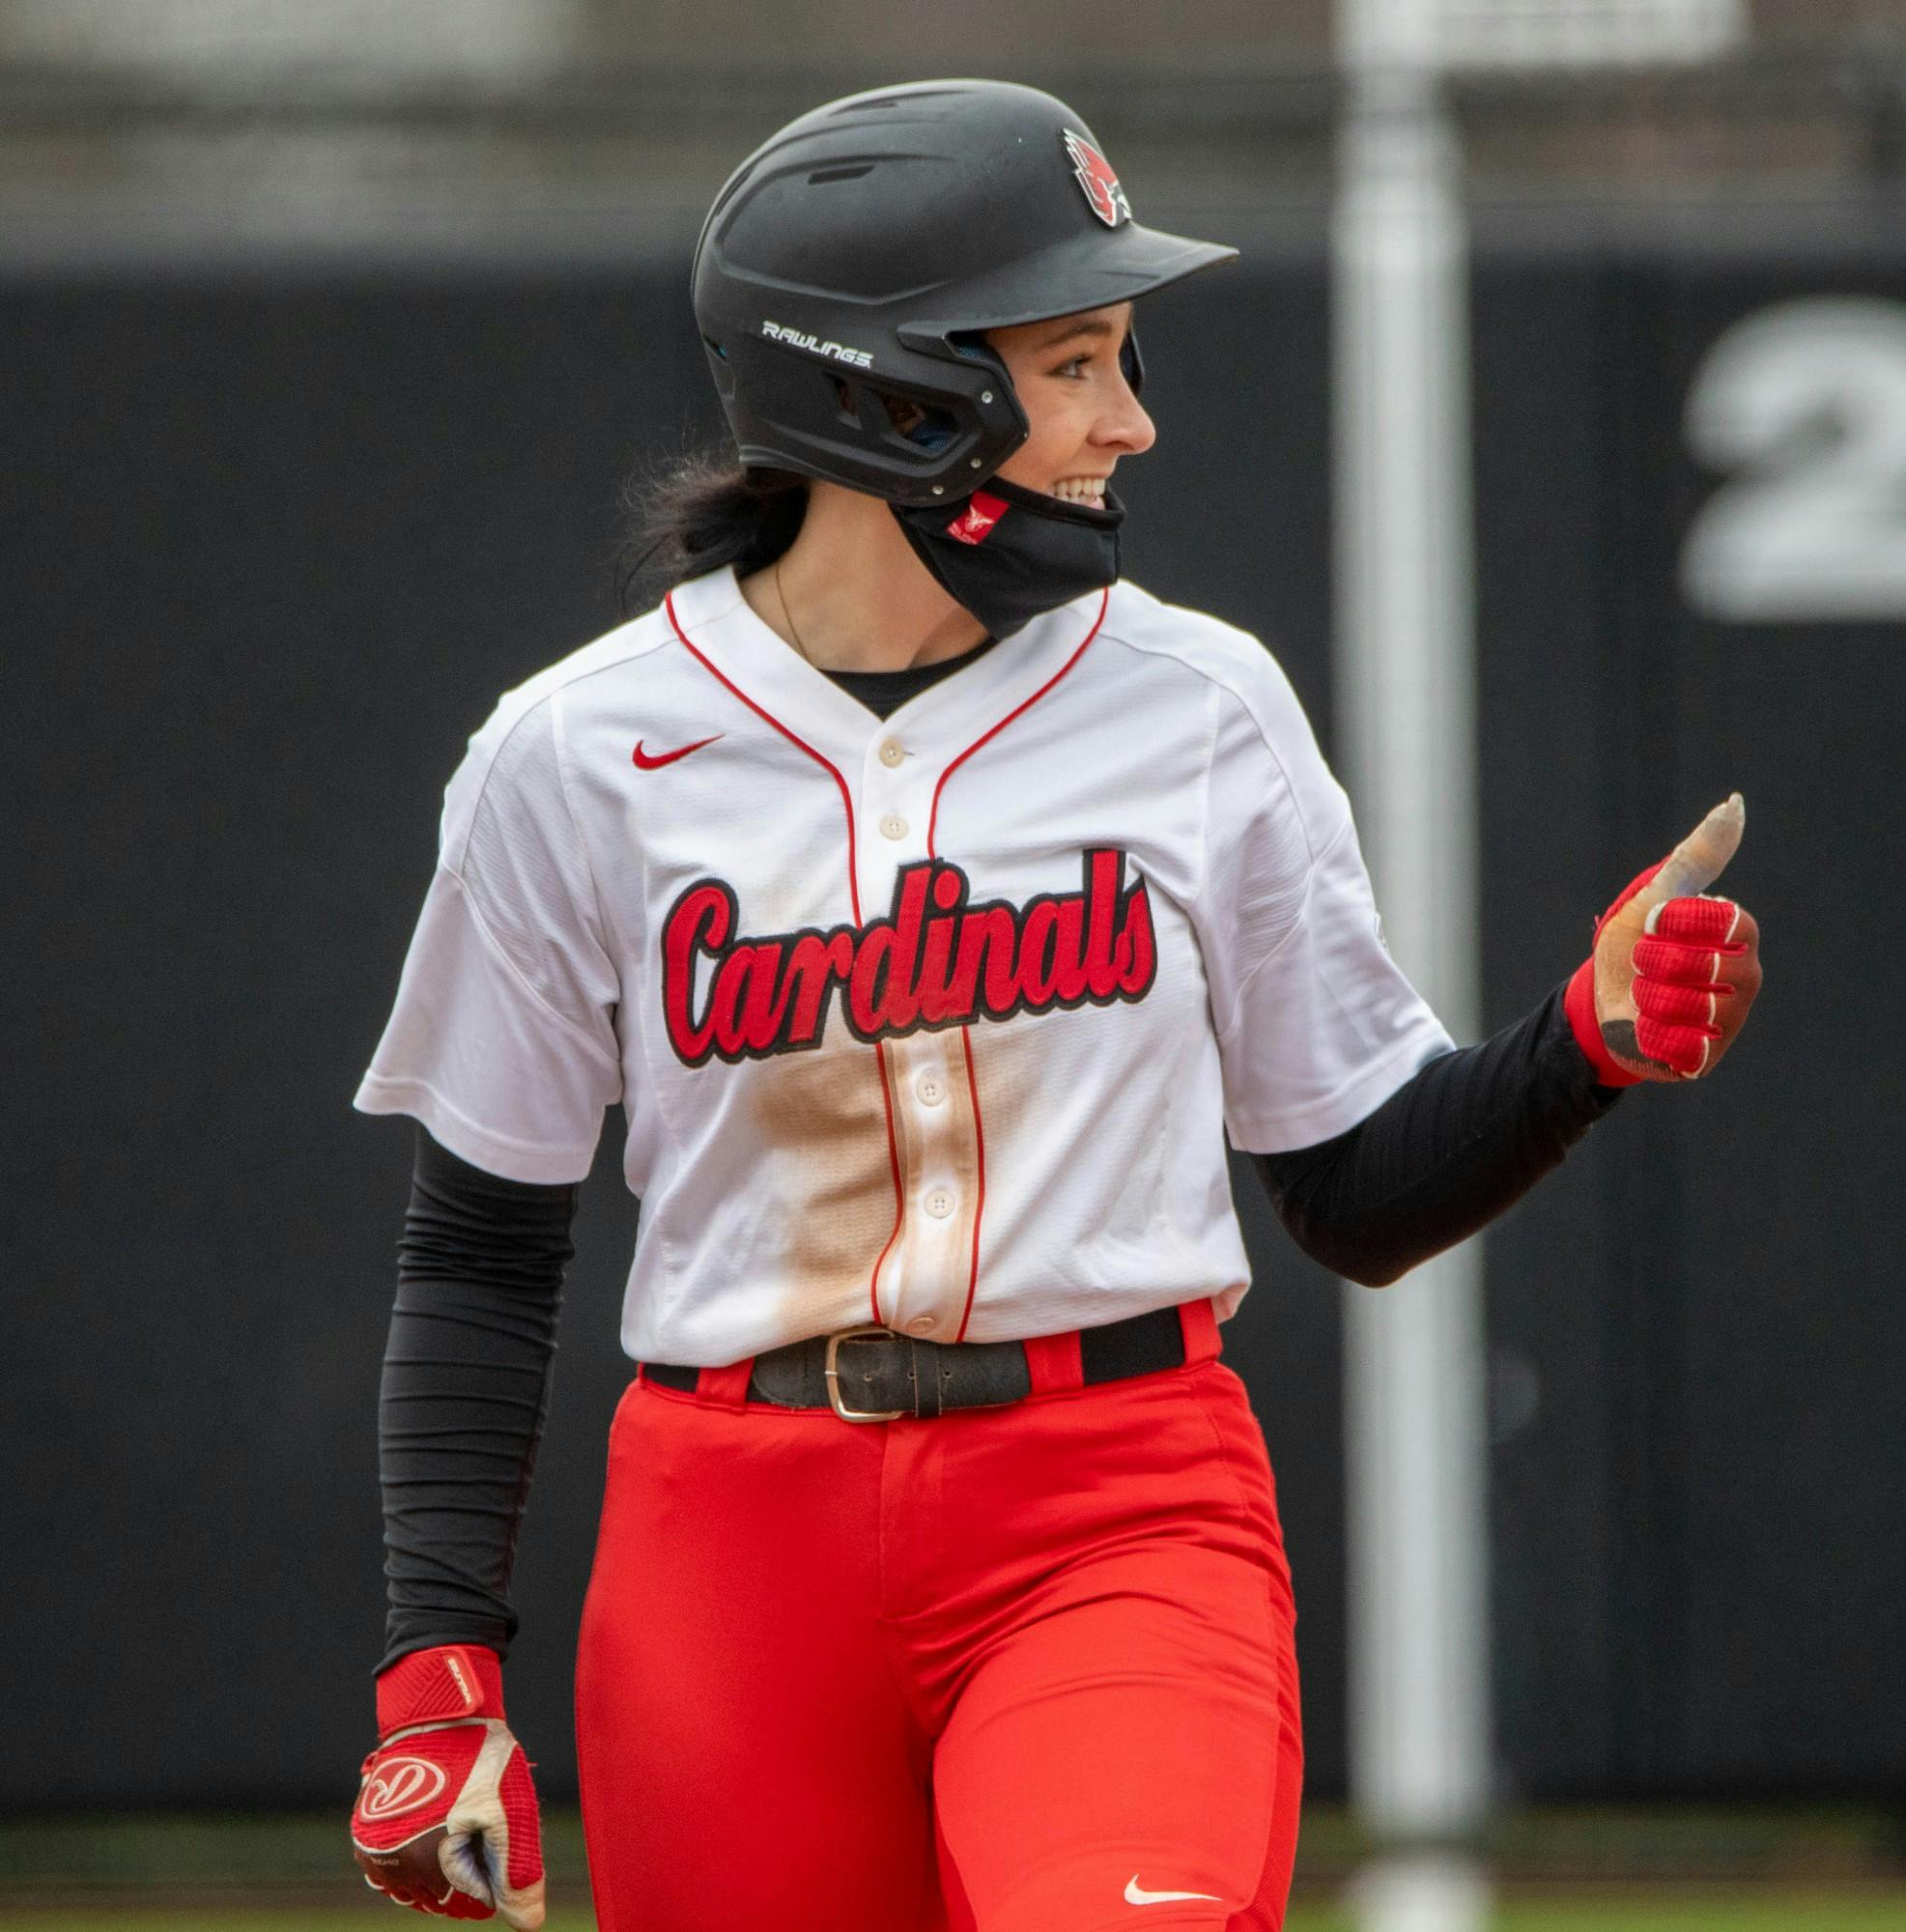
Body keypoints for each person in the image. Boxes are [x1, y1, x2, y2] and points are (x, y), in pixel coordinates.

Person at [344, 79, 1762, 1932]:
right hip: (730, 1542)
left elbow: (1352, 1187)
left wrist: (1580, 1043)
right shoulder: (574, 753)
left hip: (1115, 1503)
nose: (1131, 420)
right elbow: (481, 1246)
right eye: (1075, 360)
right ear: (882, 390)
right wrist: (434, 1662)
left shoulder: (1196, 704)